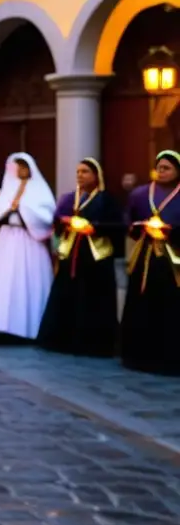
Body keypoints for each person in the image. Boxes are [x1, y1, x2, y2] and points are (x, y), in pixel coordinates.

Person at [38, 158, 122, 357]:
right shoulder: (69, 199)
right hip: (71, 255)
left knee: (93, 299)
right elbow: (56, 222)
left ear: (96, 176)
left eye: (85, 172)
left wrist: (93, 227)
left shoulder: (105, 199)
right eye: (78, 172)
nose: (80, 176)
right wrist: (63, 223)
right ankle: (63, 340)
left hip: (95, 258)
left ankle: (93, 343)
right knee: (67, 295)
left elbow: (117, 226)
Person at [0, 153, 56, 342]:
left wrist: (22, 208)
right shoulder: (8, 189)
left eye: (24, 167)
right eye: (18, 167)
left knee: (27, 280)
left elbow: (46, 216)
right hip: (7, 241)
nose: (21, 171)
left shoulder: (40, 191)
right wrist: (8, 209)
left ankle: (29, 327)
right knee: (4, 282)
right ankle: (1, 326)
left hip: (29, 242)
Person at [119, 150, 180, 375]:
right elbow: (128, 219)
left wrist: (169, 232)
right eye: (159, 167)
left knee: (170, 305)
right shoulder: (140, 194)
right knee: (142, 301)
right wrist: (139, 227)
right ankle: (139, 355)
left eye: (167, 168)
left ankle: (170, 357)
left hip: (173, 260)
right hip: (145, 257)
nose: (162, 172)